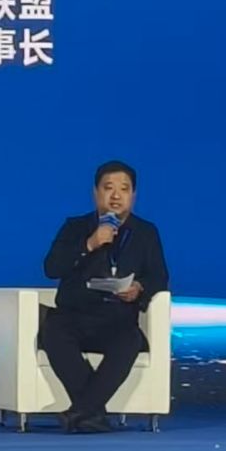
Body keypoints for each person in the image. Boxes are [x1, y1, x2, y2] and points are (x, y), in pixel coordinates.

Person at [39, 160, 170, 434]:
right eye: (108, 188)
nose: (116, 195)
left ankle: (80, 413)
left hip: (116, 318)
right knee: (53, 332)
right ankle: (90, 414)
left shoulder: (146, 233)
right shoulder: (75, 227)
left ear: (133, 195)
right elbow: (52, 268)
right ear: (95, 193)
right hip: (74, 316)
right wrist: (90, 243)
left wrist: (139, 288)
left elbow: (159, 276)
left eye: (124, 189)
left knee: (130, 341)